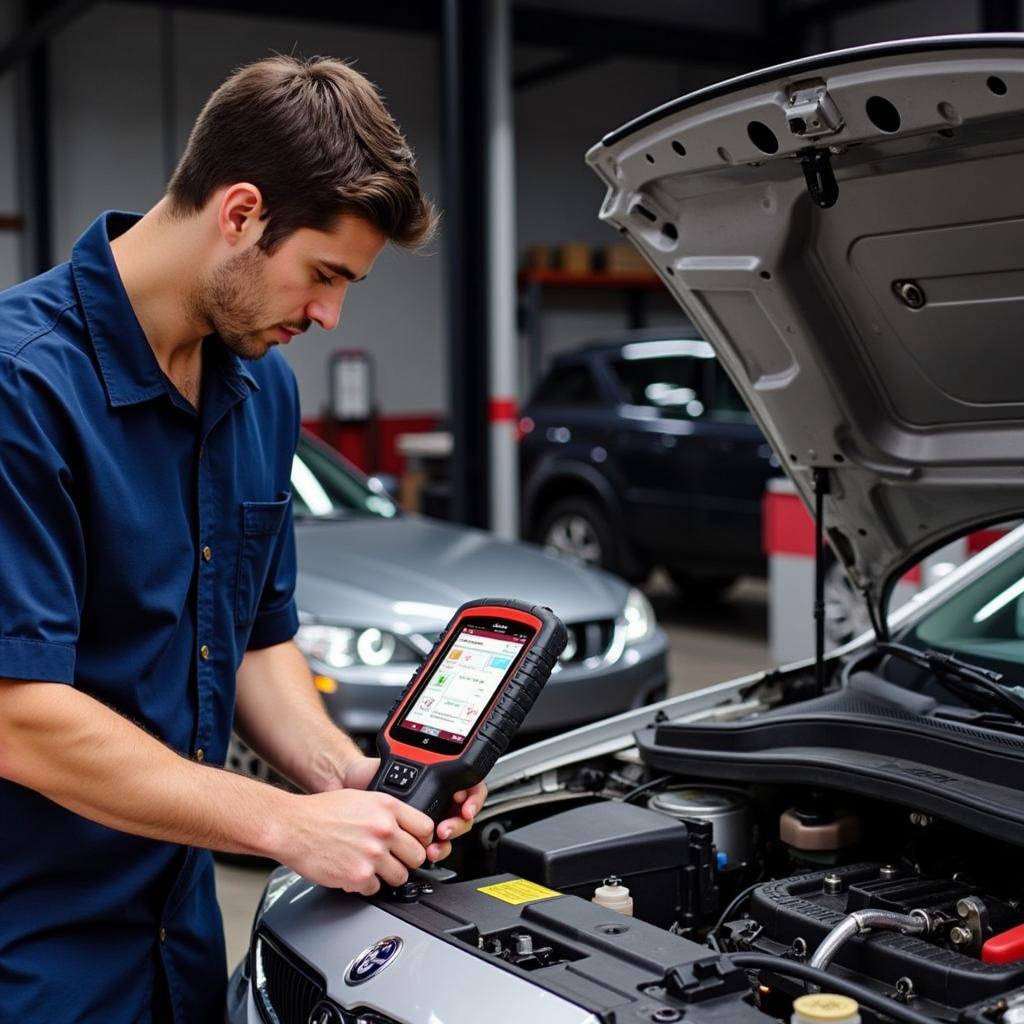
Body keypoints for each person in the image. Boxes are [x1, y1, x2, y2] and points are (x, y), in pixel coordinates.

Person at [0, 54, 485, 1023]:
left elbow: (259, 639)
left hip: (181, 945)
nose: (328, 314)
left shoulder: (263, 391)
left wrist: (337, 772)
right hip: (36, 955)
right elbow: (20, 715)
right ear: (240, 214)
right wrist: (286, 821)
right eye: (323, 274)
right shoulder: (23, 387)